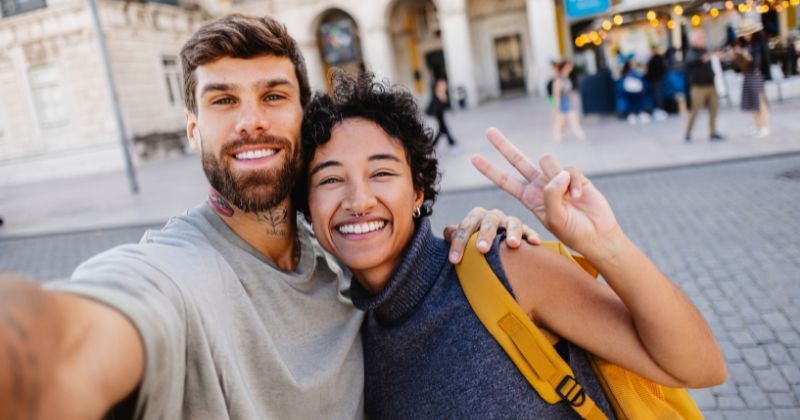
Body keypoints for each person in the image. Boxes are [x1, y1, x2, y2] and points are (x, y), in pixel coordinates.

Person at [0, 15, 530, 420]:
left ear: (304, 115)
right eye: (224, 100)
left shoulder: (338, 243)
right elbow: (77, 333)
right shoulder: (178, 273)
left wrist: (482, 238)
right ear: (192, 129)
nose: (252, 120)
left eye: (273, 96)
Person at [300, 72, 727, 418]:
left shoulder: (504, 268)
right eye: (330, 180)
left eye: (382, 173)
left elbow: (699, 365)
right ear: (308, 205)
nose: (357, 201)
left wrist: (606, 243)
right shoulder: (353, 337)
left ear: (418, 191)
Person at [684, 29, 725, 142]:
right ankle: (688, 132)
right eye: (701, 37)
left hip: (711, 84)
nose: (703, 39)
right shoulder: (691, 51)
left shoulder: (705, 50)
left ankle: (713, 132)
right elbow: (695, 60)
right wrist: (711, 56)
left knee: (714, 109)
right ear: (695, 39)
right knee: (695, 110)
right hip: (698, 87)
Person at [734, 20, 771, 138]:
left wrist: (746, 56)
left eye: (748, 33)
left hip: (756, 75)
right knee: (753, 103)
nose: (746, 35)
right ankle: (758, 125)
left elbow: (757, 63)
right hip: (748, 75)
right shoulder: (748, 45)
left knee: (760, 102)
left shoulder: (758, 45)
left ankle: (764, 126)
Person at [551, 60, 586, 141]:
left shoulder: (566, 78)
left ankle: (559, 135)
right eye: (568, 67)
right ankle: (578, 133)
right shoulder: (558, 80)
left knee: (563, 121)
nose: (570, 69)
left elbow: (568, 91)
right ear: (563, 68)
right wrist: (557, 106)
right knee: (567, 119)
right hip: (562, 102)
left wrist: (572, 98)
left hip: (567, 101)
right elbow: (556, 94)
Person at [426, 78, 459, 153]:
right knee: (444, 129)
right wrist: (434, 116)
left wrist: (453, 111)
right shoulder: (437, 93)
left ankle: (431, 146)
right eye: (443, 85)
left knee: (441, 130)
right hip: (437, 114)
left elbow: (447, 105)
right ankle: (452, 143)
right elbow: (434, 106)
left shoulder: (443, 93)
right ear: (439, 86)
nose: (445, 86)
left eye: (445, 85)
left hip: (440, 114)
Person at [620, 60, 650, 125]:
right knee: (638, 103)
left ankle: (633, 115)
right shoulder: (634, 73)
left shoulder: (626, 73)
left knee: (632, 103)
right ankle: (638, 114)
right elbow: (641, 80)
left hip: (631, 91)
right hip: (635, 90)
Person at [645, 45, 669, 120]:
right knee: (657, 95)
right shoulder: (656, 58)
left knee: (658, 95)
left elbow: (653, 71)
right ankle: (659, 109)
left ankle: (660, 109)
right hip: (656, 79)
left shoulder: (656, 59)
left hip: (656, 80)